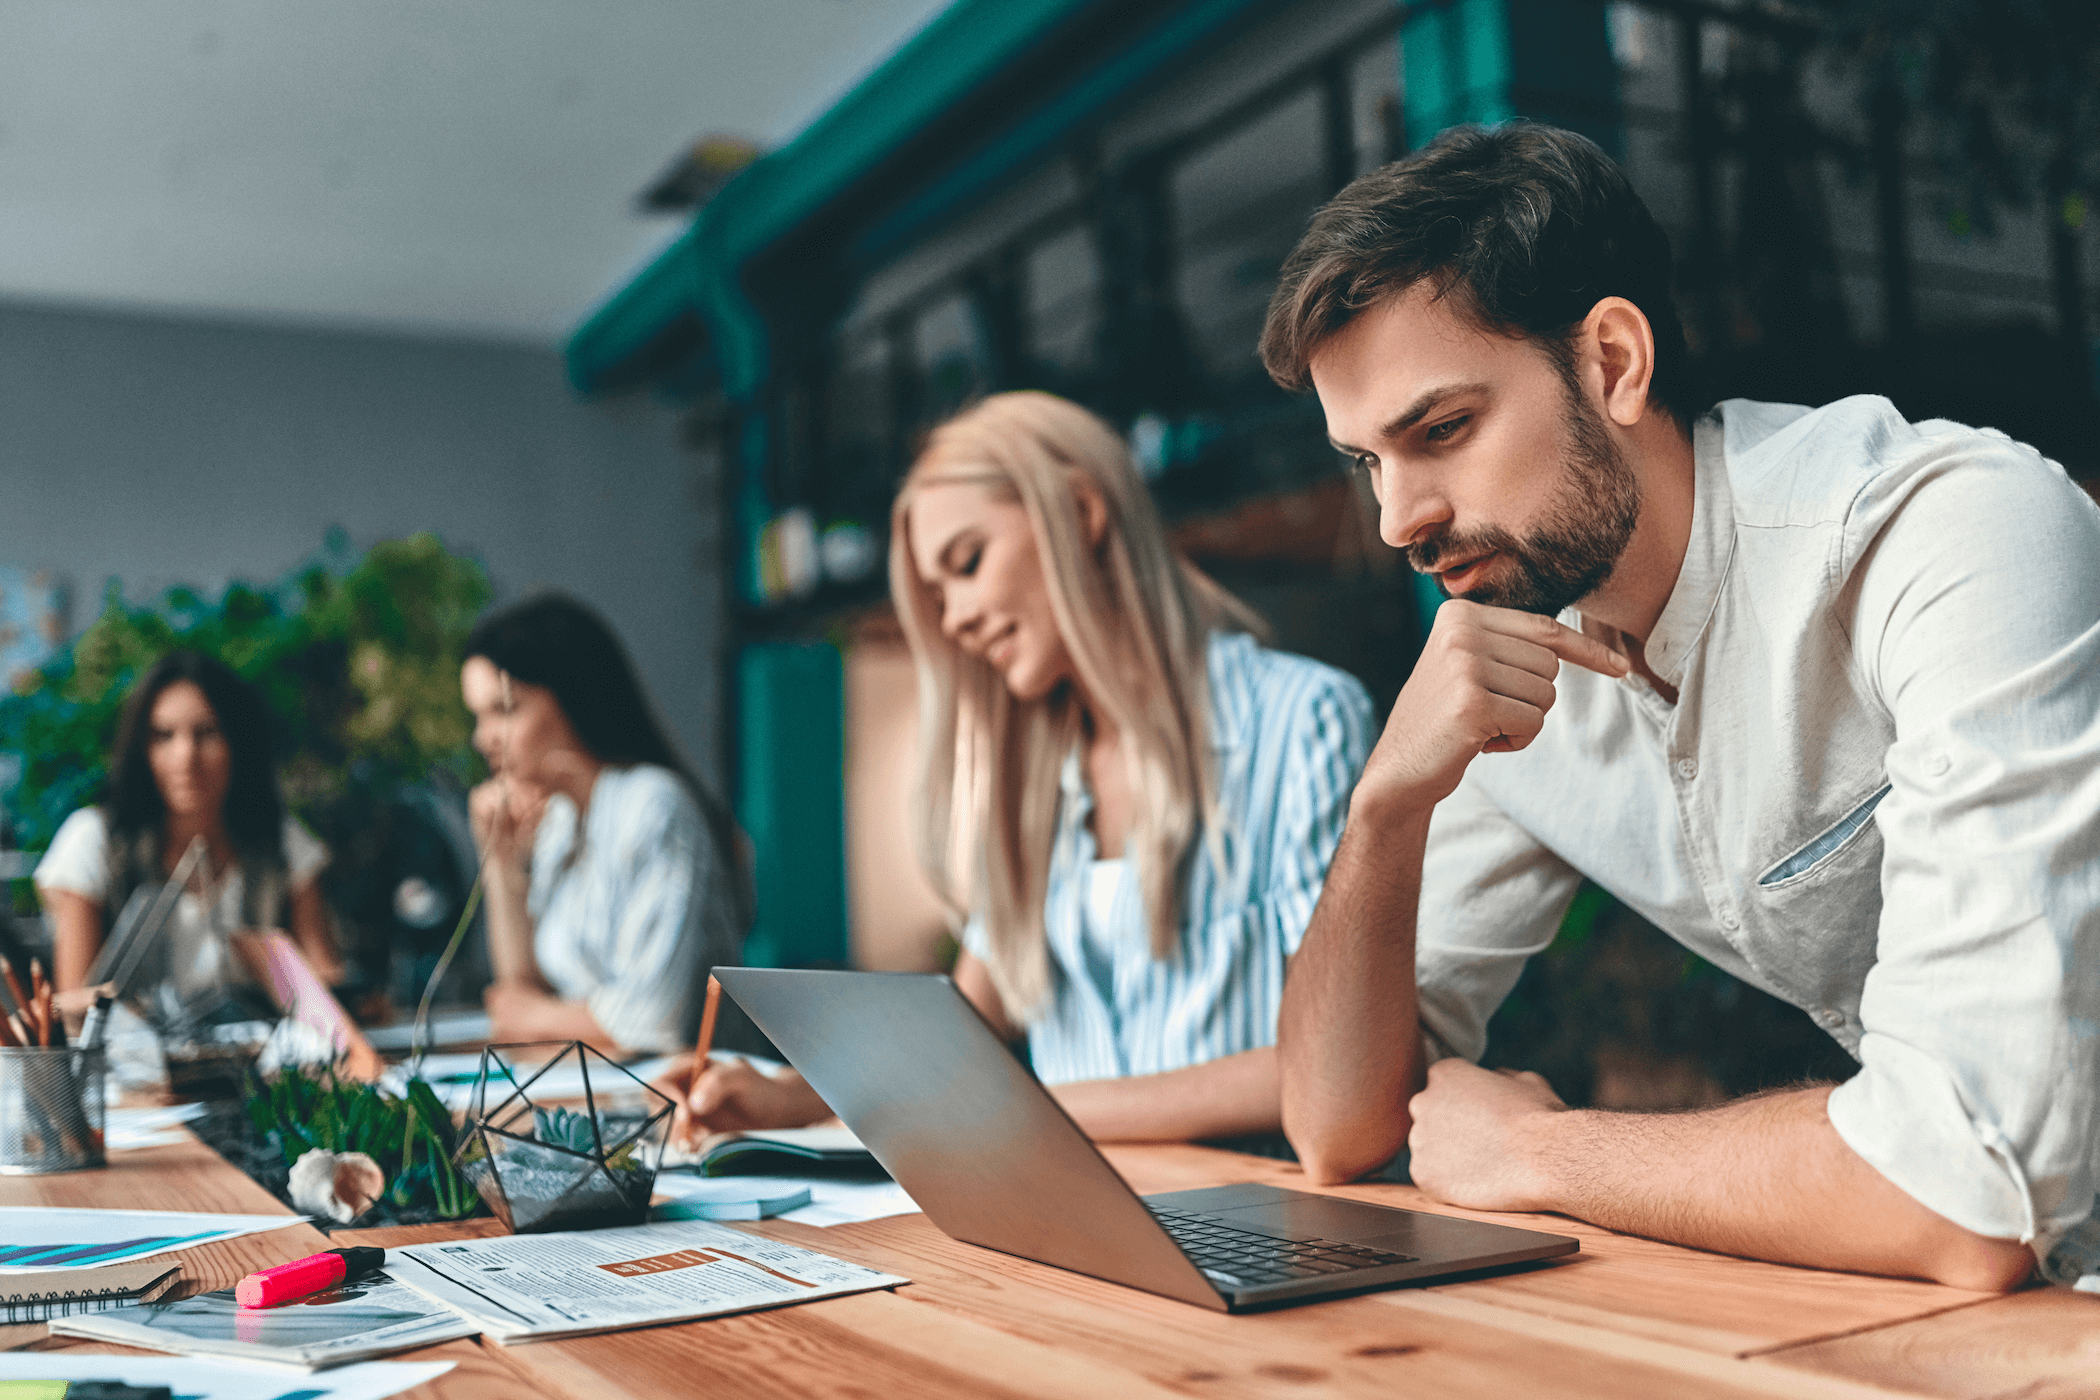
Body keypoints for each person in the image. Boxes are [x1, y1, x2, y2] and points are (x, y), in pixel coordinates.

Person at [1263, 121, 2100, 1291]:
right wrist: (1384, 810)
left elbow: (1966, 1181)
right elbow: (1334, 1129)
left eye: (1440, 431)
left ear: (1612, 361)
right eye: (1367, 462)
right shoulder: (1520, 662)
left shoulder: (1943, 535)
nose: (1399, 517)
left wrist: (1537, 1149)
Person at [661, 391, 1373, 1145]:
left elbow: (1330, 1066)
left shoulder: (1306, 720)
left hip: (1257, 1222)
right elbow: (960, 1041)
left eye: (967, 564)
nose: (955, 618)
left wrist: (1020, 1108)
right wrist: (790, 1099)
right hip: (1069, 1228)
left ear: (1081, 513)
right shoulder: (1034, 784)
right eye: (937, 596)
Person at [460, 593, 749, 1056]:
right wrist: (500, 862)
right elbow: (519, 987)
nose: (482, 738)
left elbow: (652, 1021)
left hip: (685, 1100)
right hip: (598, 1087)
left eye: (504, 710)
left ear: (571, 696)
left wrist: (537, 1016)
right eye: (478, 716)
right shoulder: (560, 820)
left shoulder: (653, 805)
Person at [38, 650, 340, 1007]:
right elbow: (73, 1006)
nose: (186, 757)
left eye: (207, 732)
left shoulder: (281, 841)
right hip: (130, 1060)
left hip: (261, 1058)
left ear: (238, 742)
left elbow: (325, 981)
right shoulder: (94, 841)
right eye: (164, 735)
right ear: (141, 747)